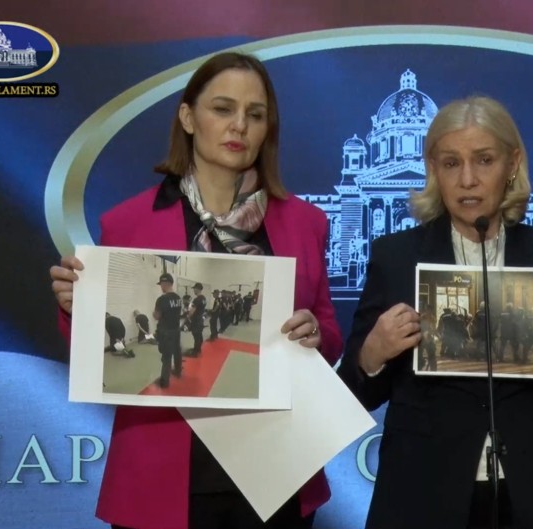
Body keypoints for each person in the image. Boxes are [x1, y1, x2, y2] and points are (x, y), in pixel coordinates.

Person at [49, 51, 342, 529]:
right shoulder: (127, 223)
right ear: (188, 118)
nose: (239, 126)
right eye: (223, 109)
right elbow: (99, 355)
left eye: (255, 115)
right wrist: (74, 307)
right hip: (161, 475)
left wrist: (316, 336)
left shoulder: (306, 223)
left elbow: (328, 331)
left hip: (275, 472)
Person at [337, 96, 533, 529]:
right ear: (434, 169)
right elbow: (353, 393)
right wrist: (371, 354)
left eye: (484, 160)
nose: (468, 179)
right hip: (423, 497)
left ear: (512, 163)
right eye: (451, 163)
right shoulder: (395, 258)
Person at [153, 273, 183, 388]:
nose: (161, 287)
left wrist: (154, 313)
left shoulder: (162, 299)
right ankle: (178, 371)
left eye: (161, 284)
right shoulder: (178, 298)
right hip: (176, 330)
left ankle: (164, 381)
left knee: (166, 356)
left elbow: (157, 316)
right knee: (177, 351)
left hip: (166, 332)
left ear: (165, 283)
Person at [188, 282, 207, 356]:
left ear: (198, 289)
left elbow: (192, 311)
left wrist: (188, 317)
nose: (194, 290)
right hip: (200, 319)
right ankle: (198, 349)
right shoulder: (203, 298)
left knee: (196, 335)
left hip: (196, 320)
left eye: (194, 289)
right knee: (199, 335)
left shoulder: (197, 299)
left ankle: (195, 351)